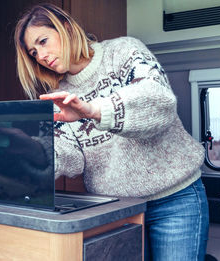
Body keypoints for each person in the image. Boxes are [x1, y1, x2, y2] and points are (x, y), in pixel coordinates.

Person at [14, 4, 208, 261]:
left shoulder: (124, 51)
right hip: (118, 211)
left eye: (43, 41)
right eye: (34, 52)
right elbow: (69, 156)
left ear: (67, 28)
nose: (41, 55)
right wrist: (33, 150)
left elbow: (159, 102)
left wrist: (93, 110)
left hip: (175, 200)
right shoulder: (60, 95)